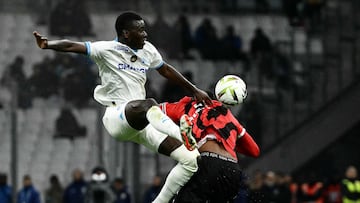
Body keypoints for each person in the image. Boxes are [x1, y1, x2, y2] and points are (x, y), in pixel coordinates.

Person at [33, 11, 211, 203]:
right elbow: (71, 45)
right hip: (117, 117)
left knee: (191, 159)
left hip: (143, 122)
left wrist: (194, 90)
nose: (145, 34)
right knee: (149, 104)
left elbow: (165, 69)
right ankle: (180, 133)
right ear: (126, 33)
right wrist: (47, 44)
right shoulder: (106, 49)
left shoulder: (148, 50)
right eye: (140, 30)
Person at [159, 90, 260, 202]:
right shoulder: (226, 114)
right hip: (232, 169)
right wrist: (230, 142)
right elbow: (254, 151)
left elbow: (153, 110)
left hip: (207, 162)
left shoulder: (186, 105)